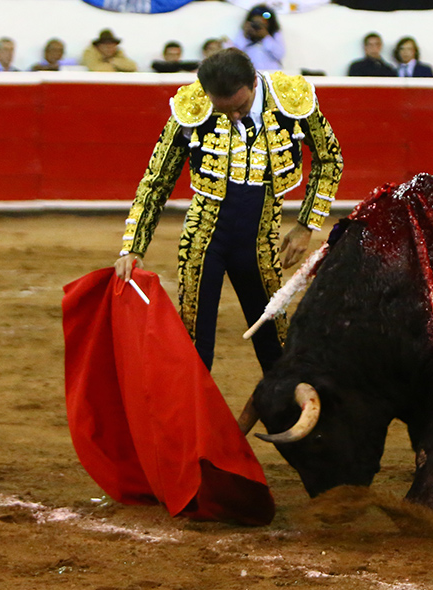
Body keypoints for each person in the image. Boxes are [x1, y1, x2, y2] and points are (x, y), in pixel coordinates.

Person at [114, 48, 343, 374]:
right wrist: (132, 246)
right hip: (202, 239)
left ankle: (284, 420)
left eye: (240, 107)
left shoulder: (290, 99)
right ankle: (192, 425)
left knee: (276, 348)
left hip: (261, 243)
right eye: (224, 110)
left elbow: (330, 158)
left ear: (253, 82)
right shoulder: (193, 106)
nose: (234, 117)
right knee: (194, 347)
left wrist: (307, 224)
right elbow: (156, 181)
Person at [229, 4, 285, 71]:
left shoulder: (274, 33)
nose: (258, 26)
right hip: (249, 74)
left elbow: (279, 54)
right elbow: (235, 54)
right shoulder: (244, 33)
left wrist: (265, 36)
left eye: (262, 24)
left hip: (271, 73)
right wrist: (245, 36)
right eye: (255, 22)